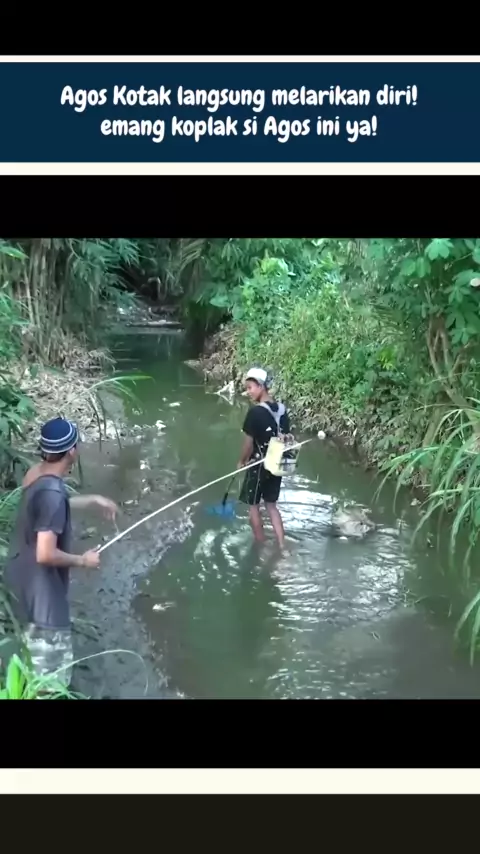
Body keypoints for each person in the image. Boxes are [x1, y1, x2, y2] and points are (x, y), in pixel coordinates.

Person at [3, 416, 118, 691]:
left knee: (21, 668)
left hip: (17, 588)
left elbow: (45, 506)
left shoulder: (36, 474)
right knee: (50, 685)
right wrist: (83, 560)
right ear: (71, 452)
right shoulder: (53, 494)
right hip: (42, 603)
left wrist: (91, 501)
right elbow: (45, 553)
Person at [237, 367, 292, 548]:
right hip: (277, 464)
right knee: (271, 506)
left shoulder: (255, 413)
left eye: (250, 387)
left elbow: (248, 443)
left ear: (261, 386)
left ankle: (260, 546)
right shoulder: (282, 410)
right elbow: (286, 436)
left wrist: (242, 461)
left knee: (253, 506)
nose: (248, 392)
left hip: (258, 465)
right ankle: (282, 545)